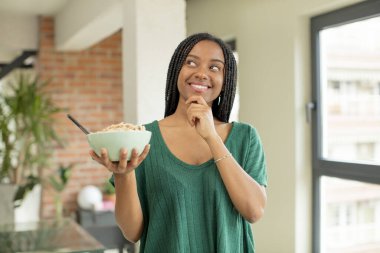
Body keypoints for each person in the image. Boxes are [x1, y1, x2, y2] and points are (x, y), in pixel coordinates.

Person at [90, 32, 268, 253]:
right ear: (177, 70)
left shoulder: (245, 138)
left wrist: (212, 137)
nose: (201, 73)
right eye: (191, 62)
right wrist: (123, 173)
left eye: (214, 68)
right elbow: (132, 232)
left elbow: (254, 211)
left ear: (226, 80)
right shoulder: (143, 138)